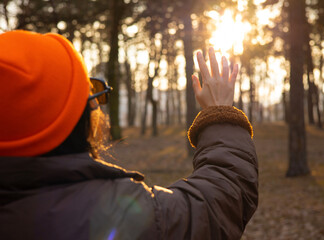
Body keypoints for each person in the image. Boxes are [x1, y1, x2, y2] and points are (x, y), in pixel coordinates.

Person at [0, 30, 258, 240]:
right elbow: (218, 204)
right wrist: (220, 113)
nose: (96, 107)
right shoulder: (119, 215)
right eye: (91, 96)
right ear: (75, 122)